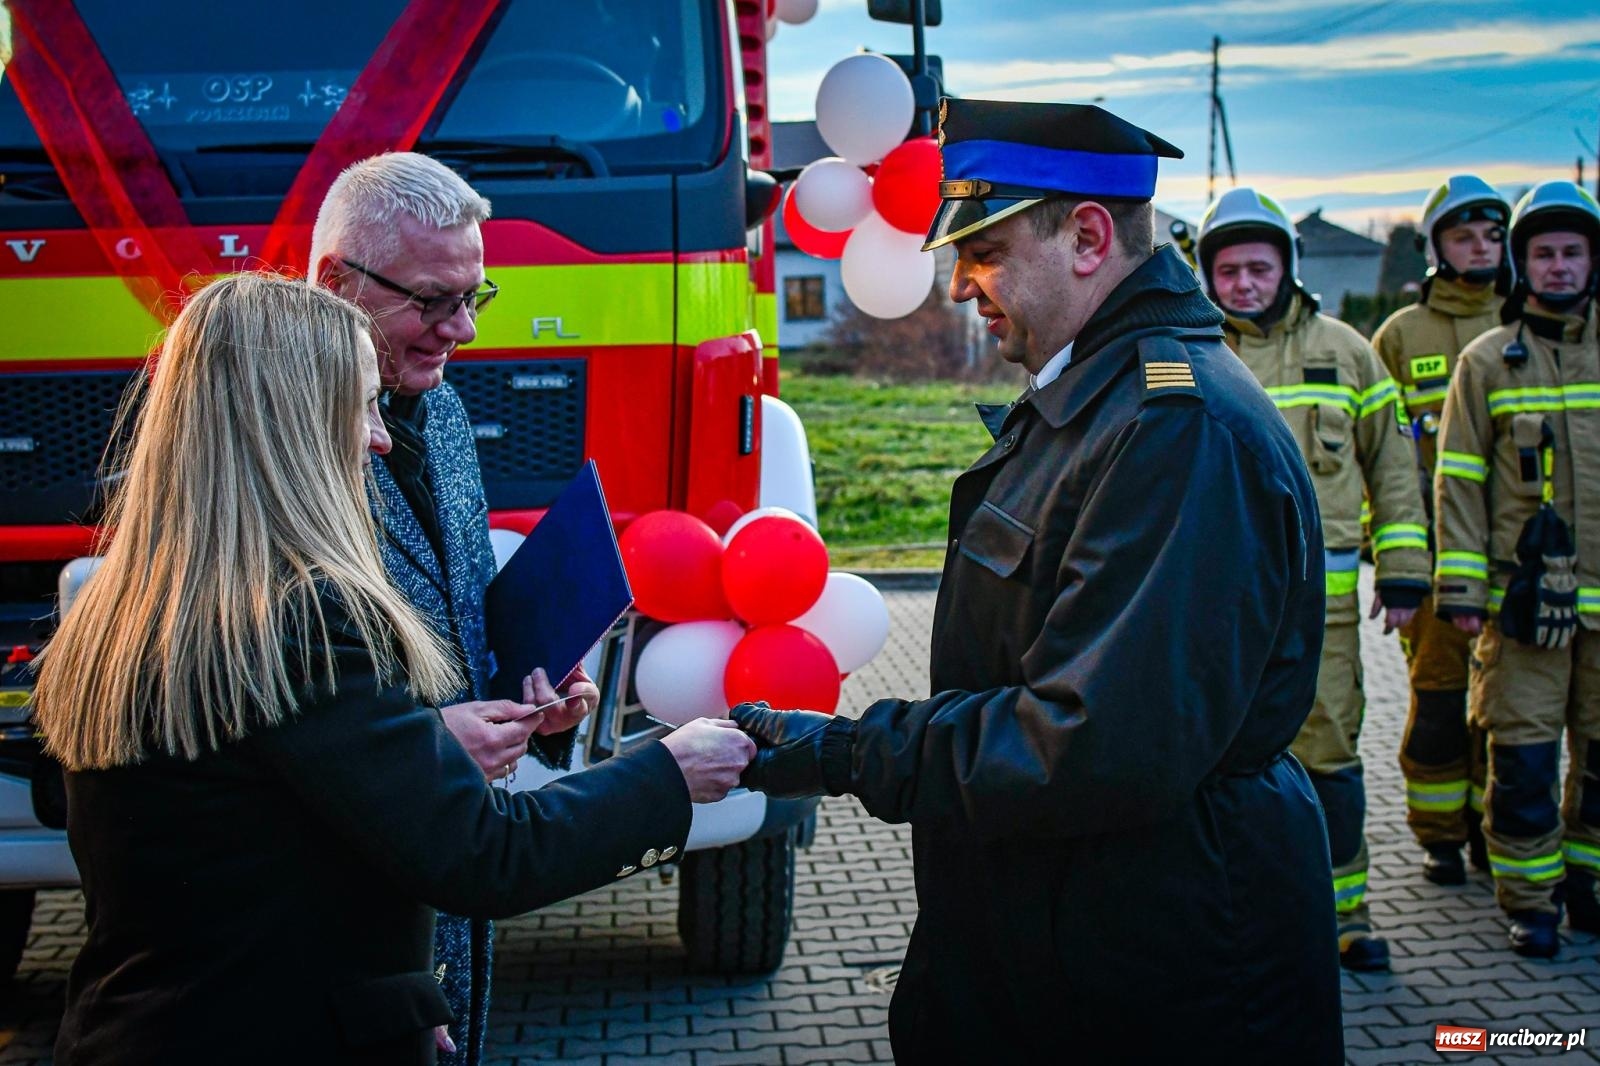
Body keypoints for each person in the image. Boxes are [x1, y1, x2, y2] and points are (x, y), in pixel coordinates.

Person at [730, 99, 1342, 1061]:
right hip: (1079, 929)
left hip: (1159, 958)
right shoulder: (1098, 393)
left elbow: (1091, 746)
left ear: (1089, 236)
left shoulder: (1175, 431)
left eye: (985, 250)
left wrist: (846, 753)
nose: (962, 285)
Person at [30, 273, 754, 1065]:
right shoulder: (298, 613)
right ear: (290, 428)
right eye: (364, 406)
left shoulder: (130, 602)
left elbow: (236, 842)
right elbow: (484, 856)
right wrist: (668, 774)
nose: (381, 438)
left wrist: (389, 991)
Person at [308, 152, 572, 1064]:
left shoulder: (446, 409)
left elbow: (450, 613)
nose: (459, 329)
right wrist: (427, 745)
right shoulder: (274, 459)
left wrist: (530, 690)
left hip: (450, 889)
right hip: (348, 959)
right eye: (430, 300)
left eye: (475, 296)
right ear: (335, 283)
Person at [1196, 186, 1430, 971]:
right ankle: (1246, 916)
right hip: (1219, 619)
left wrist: (1402, 573)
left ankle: (1344, 917)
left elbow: (1394, 471)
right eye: (1228, 272)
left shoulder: (1349, 350)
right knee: (1222, 763)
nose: (1244, 285)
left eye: (1258, 268)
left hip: (1323, 621)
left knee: (1328, 759)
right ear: (1210, 277)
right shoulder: (1189, 356)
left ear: (1287, 269)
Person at [1434, 180, 1600, 958]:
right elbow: (1458, 483)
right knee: (1524, 763)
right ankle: (1531, 904)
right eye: (1544, 254)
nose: (1559, 267)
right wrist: (1465, 591)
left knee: (1598, 765)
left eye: (1572, 252)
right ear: (1523, 265)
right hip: (1522, 609)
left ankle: (1587, 887)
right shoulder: (1487, 363)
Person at [1372, 176, 1508, 885]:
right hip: (1432, 558)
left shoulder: (1528, 323)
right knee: (1438, 699)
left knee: (1508, 709)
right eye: (1463, 236)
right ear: (1437, 248)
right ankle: (1439, 833)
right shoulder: (1402, 336)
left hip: (1513, 560)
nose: (1479, 248)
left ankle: (1496, 828)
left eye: (1491, 236)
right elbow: (1386, 455)